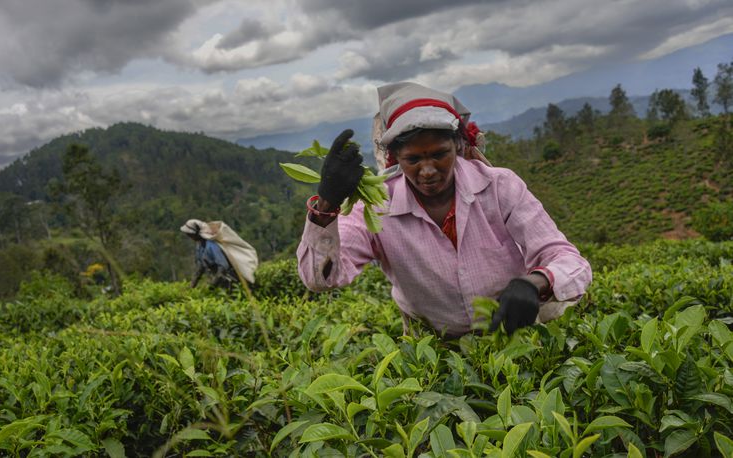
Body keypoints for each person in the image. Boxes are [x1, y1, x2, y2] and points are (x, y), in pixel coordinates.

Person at [296, 82, 592, 337]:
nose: (427, 171)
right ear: (395, 157)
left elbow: (569, 260)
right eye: (413, 159)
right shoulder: (376, 208)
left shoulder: (500, 187)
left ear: (459, 147)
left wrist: (535, 283)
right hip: (433, 352)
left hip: (513, 338)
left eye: (439, 155)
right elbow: (320, 279)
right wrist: (327, 204)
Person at [181, 221, 238, 289]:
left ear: (196, 233)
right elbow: (200, 267)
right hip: (219, 280)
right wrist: (192, 286)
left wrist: (212, 286)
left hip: (230, 281)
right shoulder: (200, 246)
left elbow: (223, 266)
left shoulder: (211, 245)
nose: (188, 236)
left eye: (190, 234)